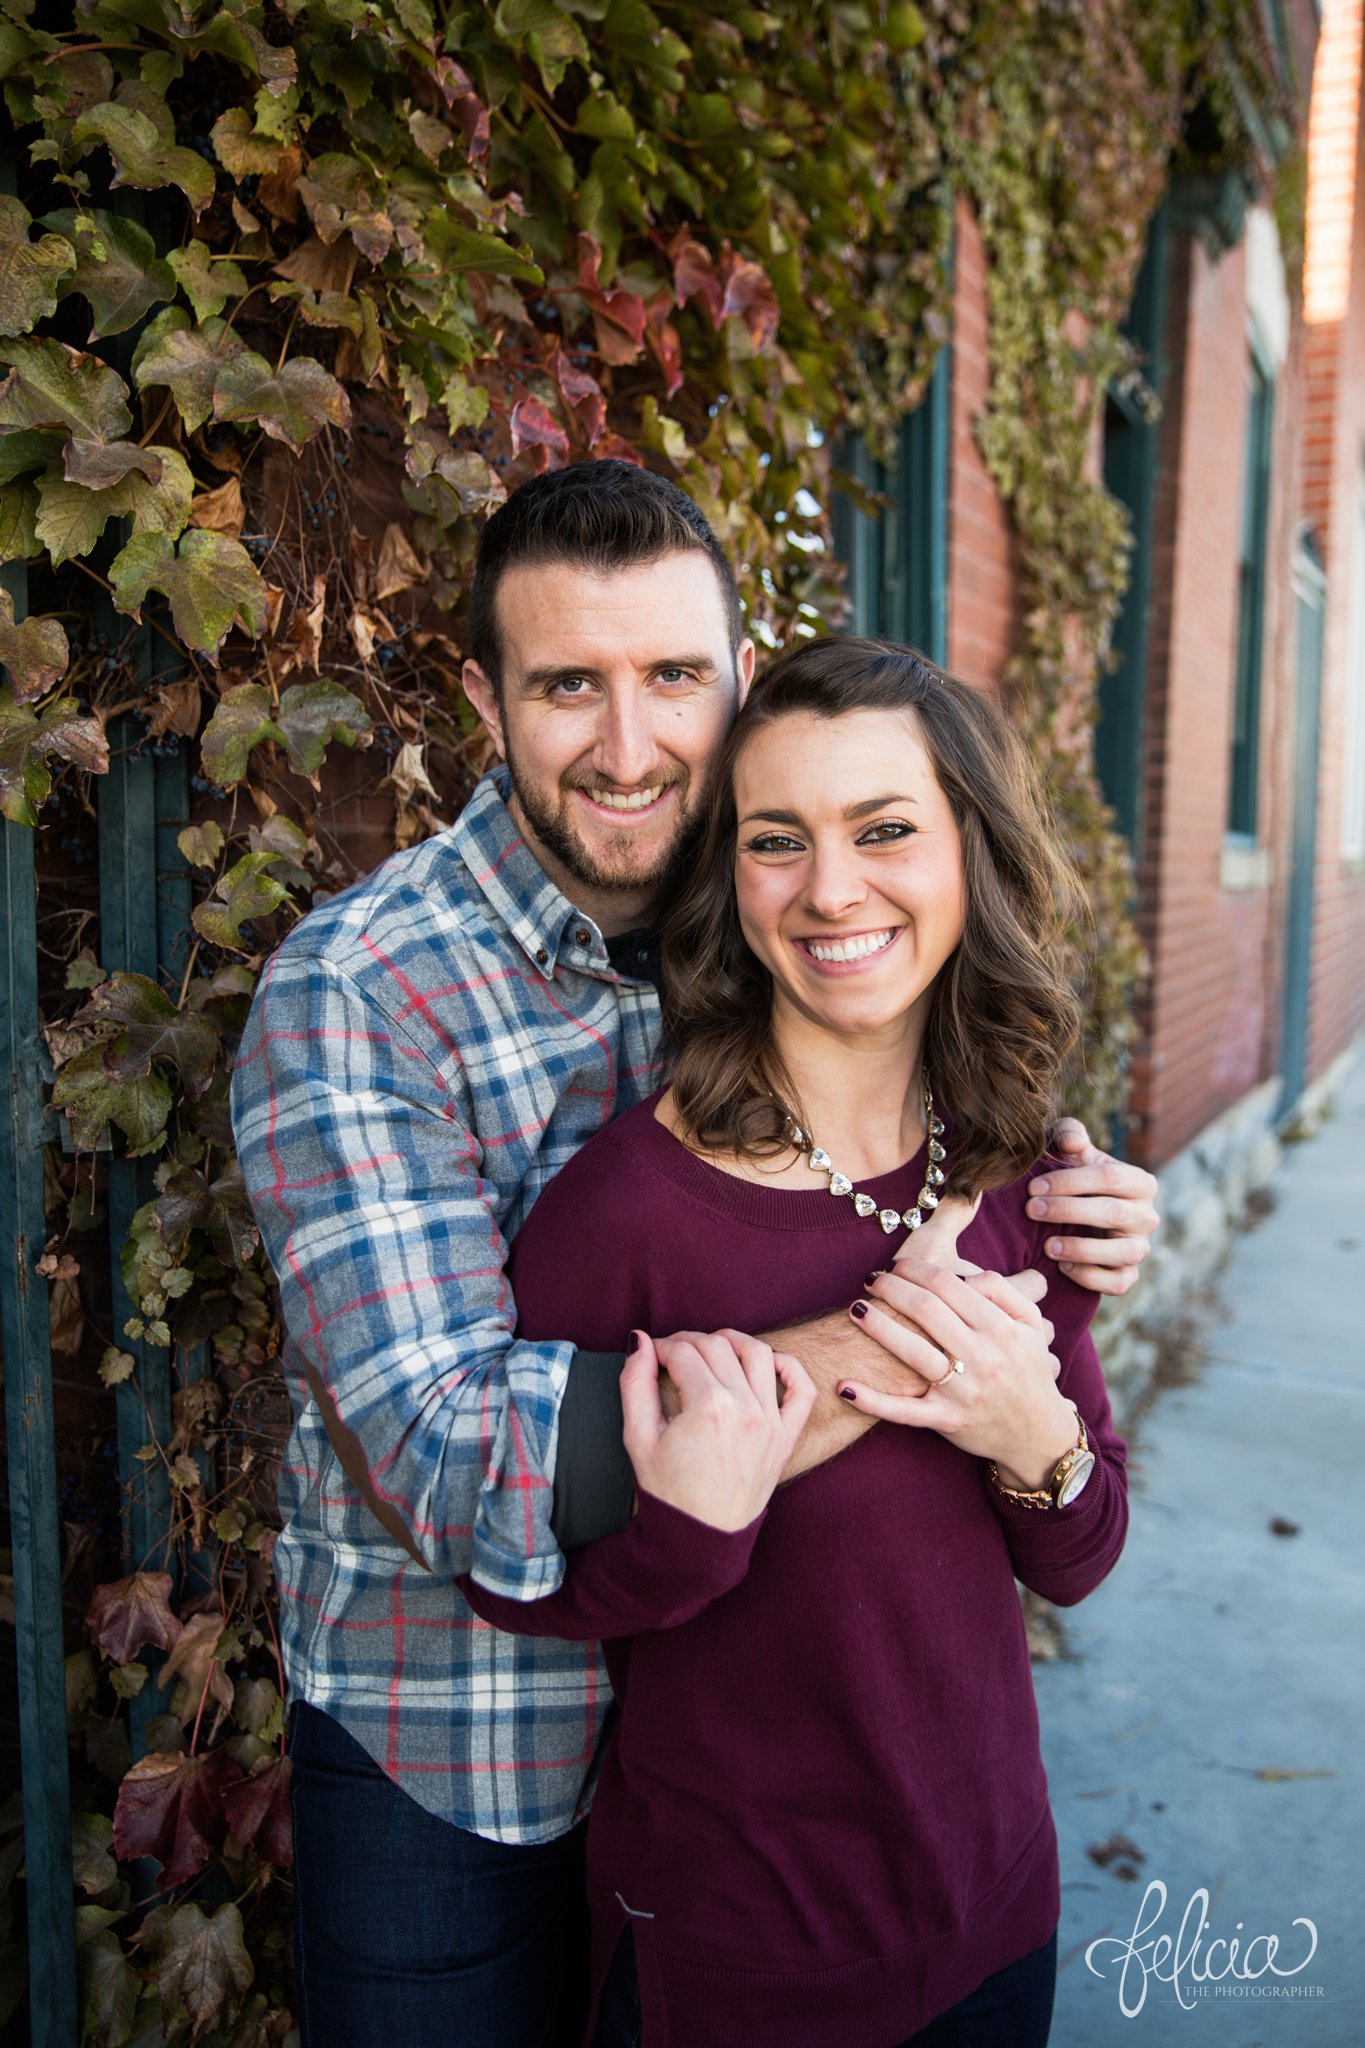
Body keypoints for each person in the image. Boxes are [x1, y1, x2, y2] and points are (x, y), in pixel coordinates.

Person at [228, 463, 1159, 2046]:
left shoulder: (780, 905)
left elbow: (902, 1097)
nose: (628, 742)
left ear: (737, 679)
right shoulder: (358, 995)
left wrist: (1056, 1225)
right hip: (464, 1747)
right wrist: (949, 1331)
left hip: (778, 1781)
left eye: (671, 677)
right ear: (482, 698)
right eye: (564, 686)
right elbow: (456, 1454)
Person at [462, 635, 1129, 2048]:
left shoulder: (1016, 1167)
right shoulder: (625, 1210)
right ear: (726, 879)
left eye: (883, 829)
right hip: (733, 1958)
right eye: (776, 842)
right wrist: (688, 1530)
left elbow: (1080, 1554)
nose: (830, 891)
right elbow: (519, 1589)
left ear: (968, 854)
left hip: (995, 1908)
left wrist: (1033, 1439)